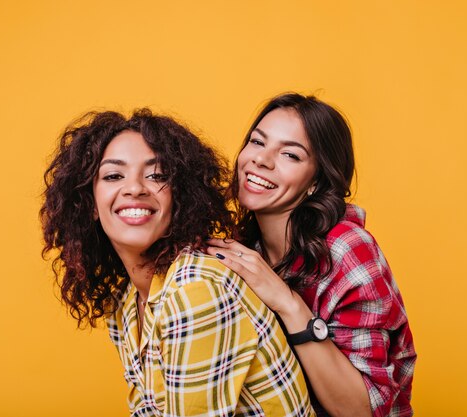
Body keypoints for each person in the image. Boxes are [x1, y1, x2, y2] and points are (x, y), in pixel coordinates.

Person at [40, 109, 315, 416]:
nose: (135, 188)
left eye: (157, 175)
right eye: (113, 176)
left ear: (178, 197)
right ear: (90, 205)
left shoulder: (195, 288)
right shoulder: (126, 302)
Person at [207, 93, 416, 417]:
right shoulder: (248, 249)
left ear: (316, 181)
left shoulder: (347, 250)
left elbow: (362, 410)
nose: (261, 160)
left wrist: (288, 303)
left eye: (290, 154)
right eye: (257, 142)